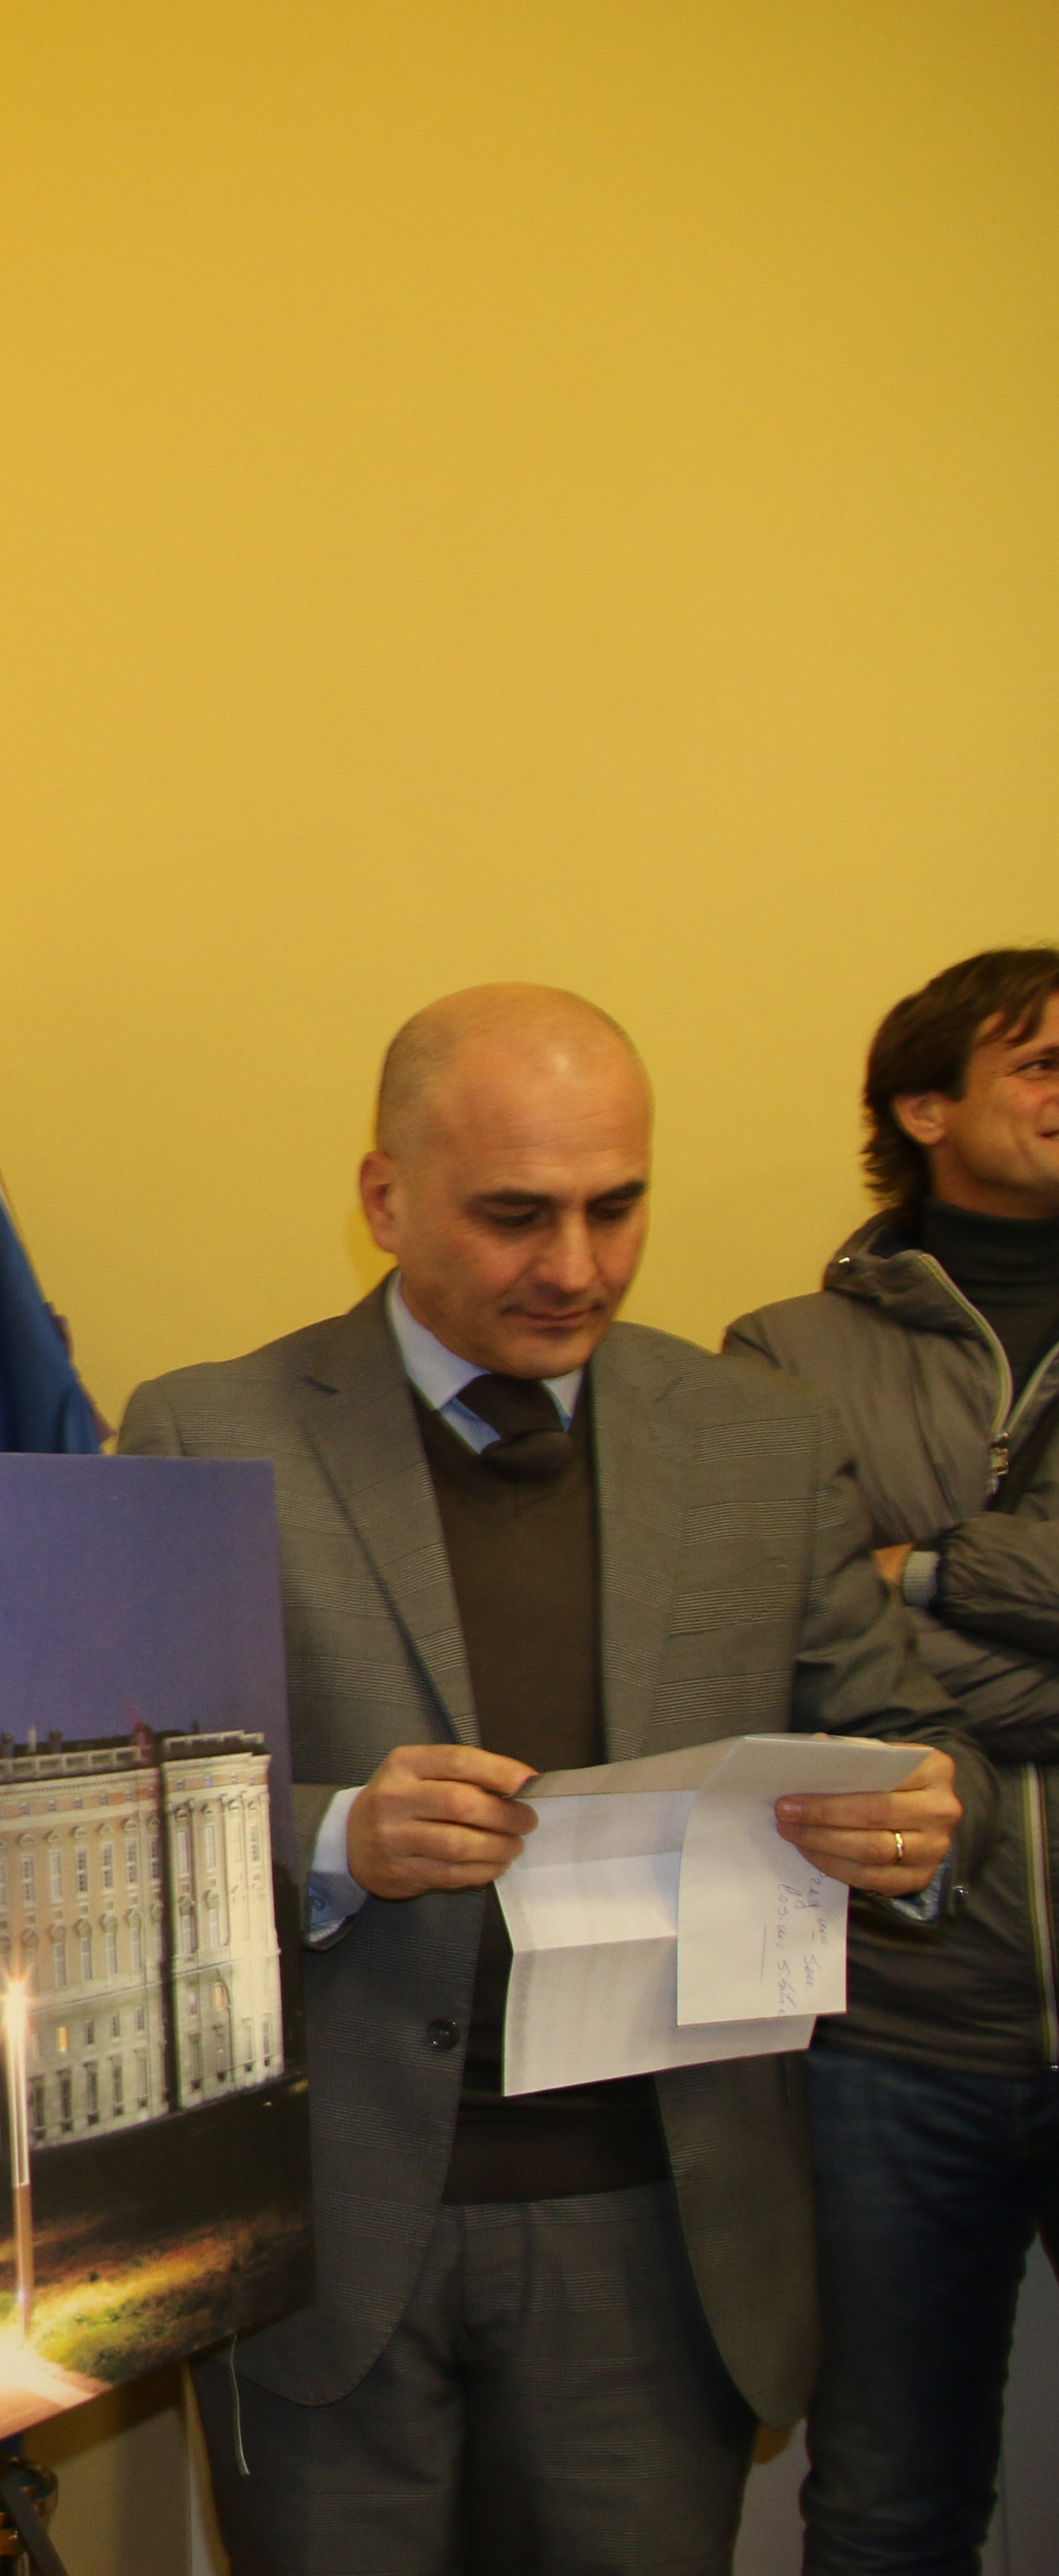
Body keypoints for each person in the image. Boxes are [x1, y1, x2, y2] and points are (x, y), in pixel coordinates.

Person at [117, 984, 976, 2576]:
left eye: (616, 1207)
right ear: (383, 1198)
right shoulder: (206, 1434)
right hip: (334, 2238)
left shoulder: (757, 1443)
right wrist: (335, 1840)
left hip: (663, 2234)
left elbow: (912, 1740)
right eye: (515, 1216)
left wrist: (923, 1823)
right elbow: (118, 1809)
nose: (575, 1266)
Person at [722, 946, 1059, 2576]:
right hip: (891, 2030)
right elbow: (777, 1659)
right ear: (926, 1107)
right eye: (1045, 1065)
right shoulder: (783, 1353)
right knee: (889, 2501)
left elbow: (872, 1643)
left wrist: (919, 1575)